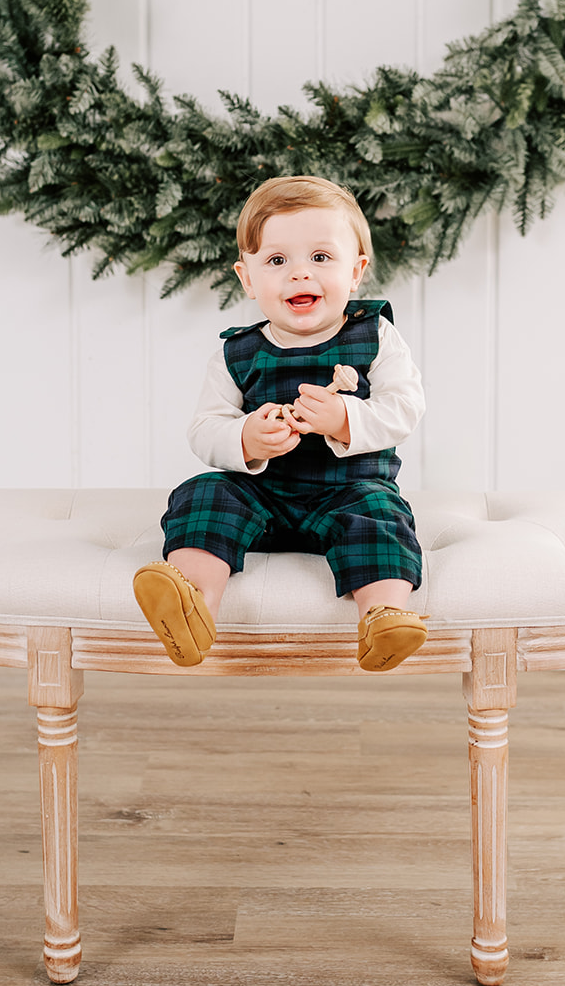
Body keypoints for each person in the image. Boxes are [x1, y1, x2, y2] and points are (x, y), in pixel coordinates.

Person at [133, 175, 428, 672]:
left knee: (380, 517)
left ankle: (383, 615)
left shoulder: (374, 336)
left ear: (355, 272)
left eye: (320, 257)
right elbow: (205, 428)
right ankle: (194, 606)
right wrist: (246, 438)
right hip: (262, 496)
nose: (299, 275)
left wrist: (345, 418)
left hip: (349, 490)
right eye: (277, 261)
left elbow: (405, 408)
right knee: (203, 494)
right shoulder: (236, 353)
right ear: (247, 279)